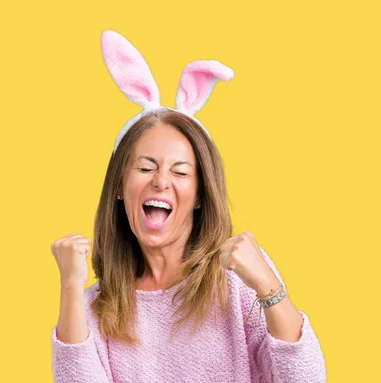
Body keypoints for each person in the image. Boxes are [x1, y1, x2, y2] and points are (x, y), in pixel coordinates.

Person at [49, 30, 326, 383]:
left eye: (180, 171)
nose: (161, 181)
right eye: (146, 168)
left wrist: (268, 287)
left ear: (199, 196)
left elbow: (306, 379)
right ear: (120, 186)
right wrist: (71, 286)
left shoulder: (238, 285)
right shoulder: (94, 308)